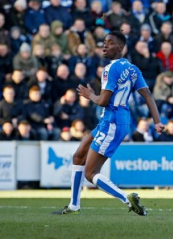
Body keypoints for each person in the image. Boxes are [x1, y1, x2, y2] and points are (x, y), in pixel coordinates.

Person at [52, 31, 165, 216]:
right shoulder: (132, 68)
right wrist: (158, 122)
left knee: (91, 173)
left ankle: (126, 199)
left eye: (110, 43)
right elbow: (148, 95)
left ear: (120, 47)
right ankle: (74, 205)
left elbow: (103, 101)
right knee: (79, 155)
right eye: (104, 42)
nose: (104, 46)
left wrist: (90, 95)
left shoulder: (110, 69)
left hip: (111, 121)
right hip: (115, 120)